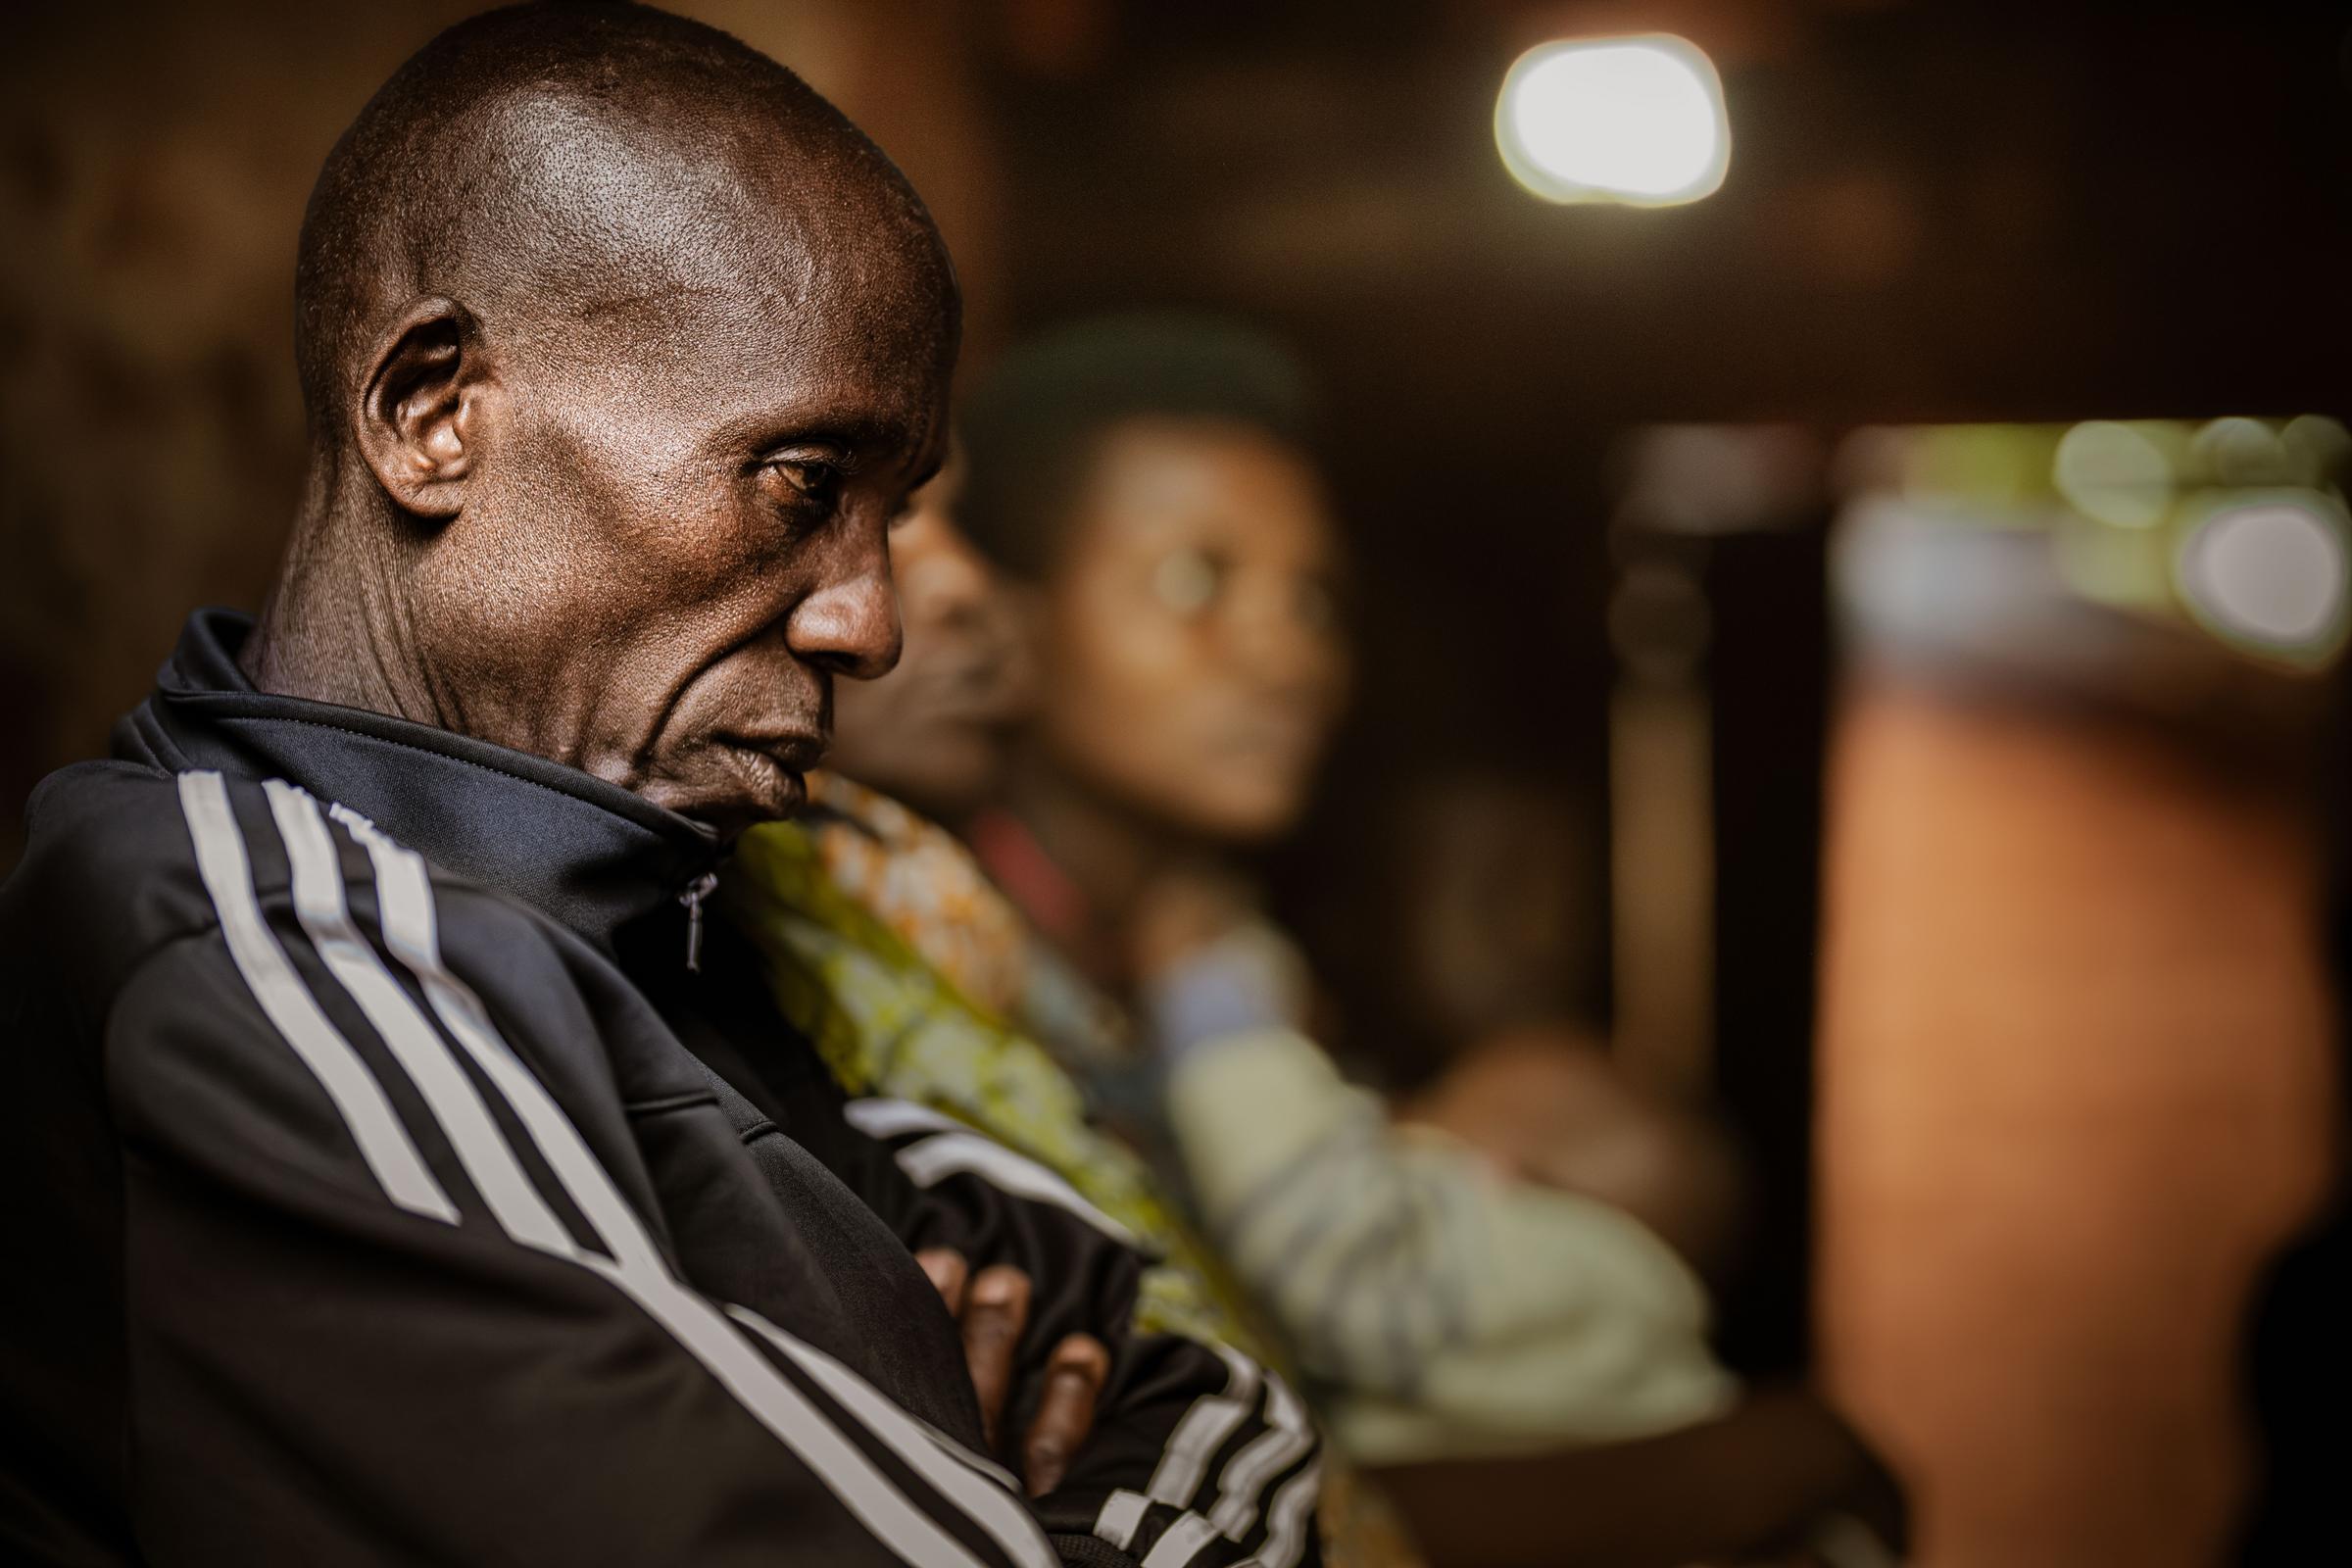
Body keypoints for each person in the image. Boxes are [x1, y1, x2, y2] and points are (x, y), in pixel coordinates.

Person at [0, 10, 1312, 1566]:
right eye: (806, 485)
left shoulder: (688, 904)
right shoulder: (260, 943)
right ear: (435, 414)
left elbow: (1234, 1414)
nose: (870, 623)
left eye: (891, 515)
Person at [744, 315, 1905, 1565]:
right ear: (1004, 610)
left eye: (1315, 597)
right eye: (1197, 580)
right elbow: (1219, 1468)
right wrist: (1733, 1470)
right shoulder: (946, 989)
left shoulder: (1228, 971)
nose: (1284, 651)